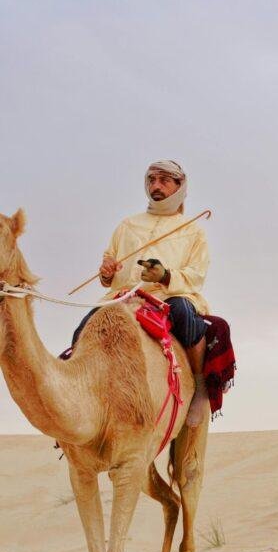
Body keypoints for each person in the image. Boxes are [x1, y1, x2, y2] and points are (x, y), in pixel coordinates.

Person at [70, 159, 218, 426]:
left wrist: (165, 276)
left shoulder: (193, 230)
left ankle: (199, 387)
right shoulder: (127, 225)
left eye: (163, 180)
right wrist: (107, 272)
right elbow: (109, 266)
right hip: (124, 298)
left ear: (179, 186)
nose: (156, 186)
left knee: (185, 315)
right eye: (151, 180)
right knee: (82, 330)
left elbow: (196, 275)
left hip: (168, 296)